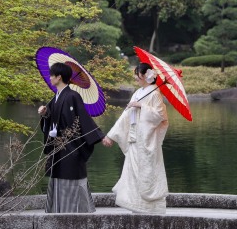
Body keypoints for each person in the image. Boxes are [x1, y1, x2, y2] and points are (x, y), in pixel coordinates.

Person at [38, 61, 106, 213]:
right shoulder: (56, 97)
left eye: (52, 75)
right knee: (58, 175)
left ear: (59, 77)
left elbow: (84, 118)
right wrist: (46, 114)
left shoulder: (73, 96)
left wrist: (100, 136)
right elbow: (53, 119)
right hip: (58, 144)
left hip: (71, 145)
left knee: (70, 174)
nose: (50, 78)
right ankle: (59, 209)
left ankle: (76, 211)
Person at [102, 62, 169, 214]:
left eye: (138, 74)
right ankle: (136, 207)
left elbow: (160, 116)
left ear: (146, 75)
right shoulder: (138, 92)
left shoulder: (155, 93)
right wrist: (111, 135)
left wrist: (142, 107)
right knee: (132, 173)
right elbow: (126, 115)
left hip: (146, 140)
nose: (136, 77)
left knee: (147, 172)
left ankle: (151, 209)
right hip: (134, 139)